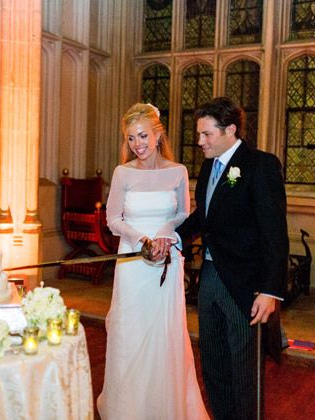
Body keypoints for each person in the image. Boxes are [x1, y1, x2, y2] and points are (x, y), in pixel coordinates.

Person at [174, 97, 289, 420]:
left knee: (245, 372)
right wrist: (173, 237)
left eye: (207, 134)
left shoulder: (260, 165)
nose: (200, 142)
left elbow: (274, 232)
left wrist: (270, 291)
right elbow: (204, 218)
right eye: (199, 134)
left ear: (231, 130)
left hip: (245, 286)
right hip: (209, 278)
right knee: (214, 365)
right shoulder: (208, 165)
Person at [96, 103, 210, 420]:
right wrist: (140, 238)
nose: (138, 144)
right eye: (131, 138)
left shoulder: (178, 171)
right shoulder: (123, 172)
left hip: (167, 260)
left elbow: (182, 215)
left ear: (158, 135)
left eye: (143, 135)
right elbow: (112, 219)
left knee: (165, 335)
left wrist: (163, 234)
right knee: (130, 333)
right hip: (132, 262)